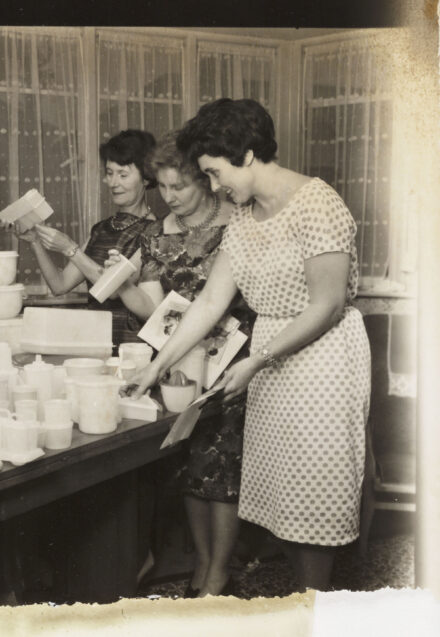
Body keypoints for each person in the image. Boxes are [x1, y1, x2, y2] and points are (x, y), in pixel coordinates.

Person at [132, 98, 371, 592]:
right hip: (272, 363)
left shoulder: (317, 204)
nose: (215, 188)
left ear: (246, 154)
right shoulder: (244, 219)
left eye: (216, 174)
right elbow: (210, 303)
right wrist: (158, 365)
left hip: (321, 363)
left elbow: (325, 305)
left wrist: (258, 361)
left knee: (313, 500)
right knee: (286, 503)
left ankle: (315, 609)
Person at [105, 133, 255, 597]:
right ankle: (204, 563)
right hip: (178, 364)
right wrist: (120, 282)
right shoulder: (155, 234)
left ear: (205, 182)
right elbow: (151, 311)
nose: (168, 197)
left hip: (232, 362)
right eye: (163, 187)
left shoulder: (242, 225)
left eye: (179, 187)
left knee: (223, 467)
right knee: (189, 464)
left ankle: (219, 570)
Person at [11, 129, 157, 347]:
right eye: (109, 173)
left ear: (146, 178)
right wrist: (35, 242)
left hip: (132, 347)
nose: (113, 182)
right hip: (96, 342)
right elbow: (59, 285)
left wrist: (70, 248)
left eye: (123, 174)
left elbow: (116, 290)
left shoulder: (155, 232)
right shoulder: (101, 229)